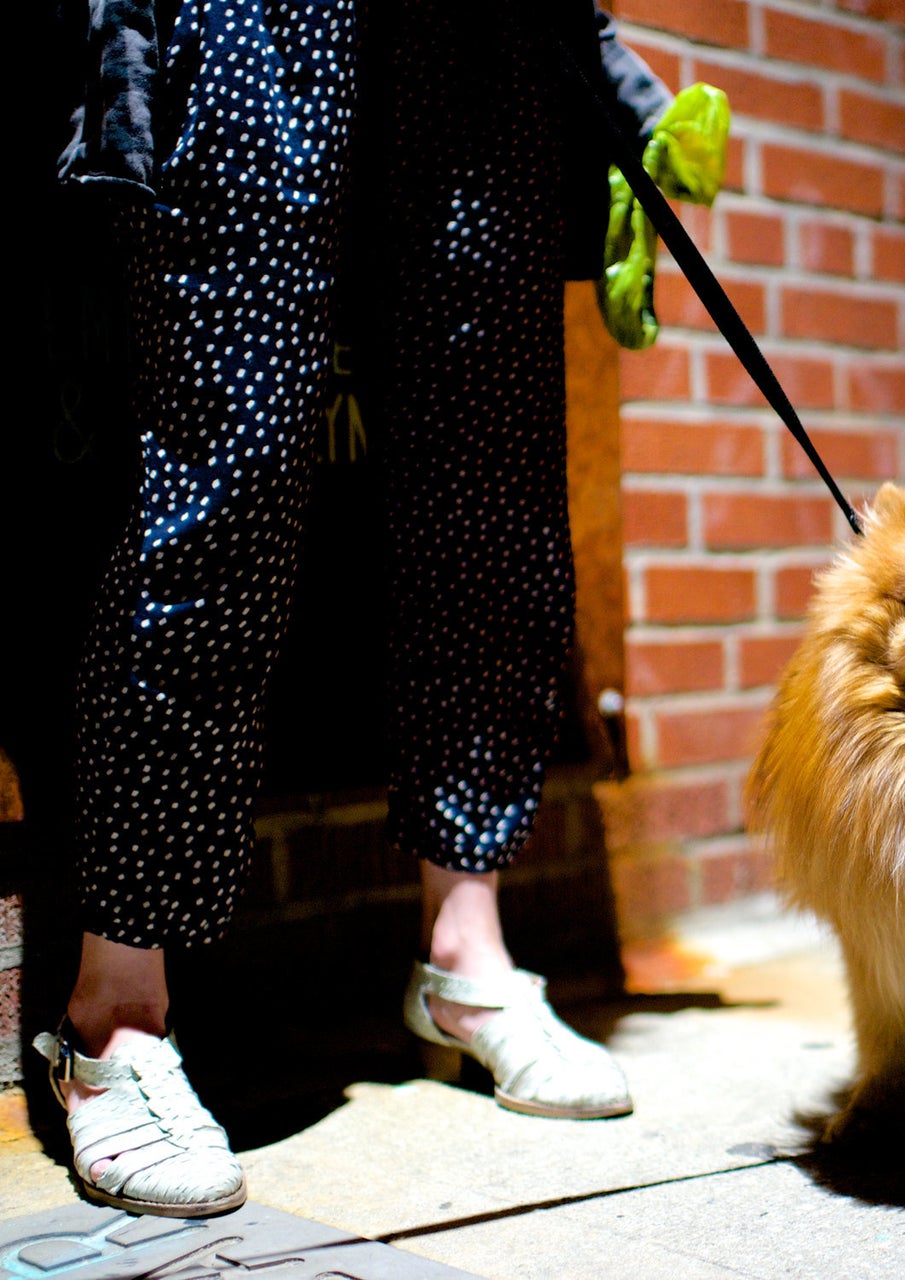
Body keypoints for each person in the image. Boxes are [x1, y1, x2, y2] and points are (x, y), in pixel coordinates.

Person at [33, 0, 689, 1219]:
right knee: (227, 472)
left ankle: (468, 958)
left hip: (472, 36)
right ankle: (113, 1013)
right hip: (255, 16)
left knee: (489, 495)